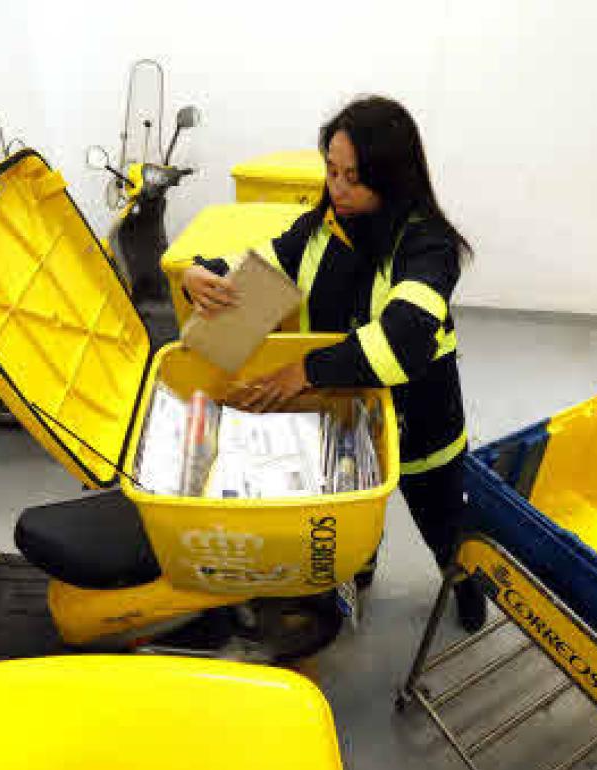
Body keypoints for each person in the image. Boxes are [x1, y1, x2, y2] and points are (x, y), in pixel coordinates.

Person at [181, 95, 484, 631]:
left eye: (354, 178)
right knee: (352, 512)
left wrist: (305, 371)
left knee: (442, 518)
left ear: (393, 179)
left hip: (419, 419)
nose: (337, 188)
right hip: (346, 413)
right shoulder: (321, 227)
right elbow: (258, 269)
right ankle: (358, 570)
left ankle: (462, 582)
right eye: (331, 170)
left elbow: (404, 339)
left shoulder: (428, 245)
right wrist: (200, 274)